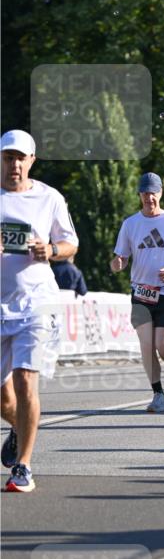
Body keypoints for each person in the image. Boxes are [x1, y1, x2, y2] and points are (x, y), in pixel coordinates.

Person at [1, 129, 79, 492]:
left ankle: (23, 467)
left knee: (25, 379)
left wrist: (51, 250)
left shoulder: (49, 197)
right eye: (8, 157)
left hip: (35, 303)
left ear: (32, 160)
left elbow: (70, 243)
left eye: (21, 157)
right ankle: (19, 428)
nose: (14, 164)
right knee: (4, 398)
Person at [110, 172, 164, 413]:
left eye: (153, 193)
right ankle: (159, 395)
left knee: (163, 346)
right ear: (139, 195)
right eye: (145, 193)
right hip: (141, 293)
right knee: (146, 346)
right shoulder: (130, 224)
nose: (149, 198)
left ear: (160, 193)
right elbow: (121, 257)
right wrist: (117, 264)